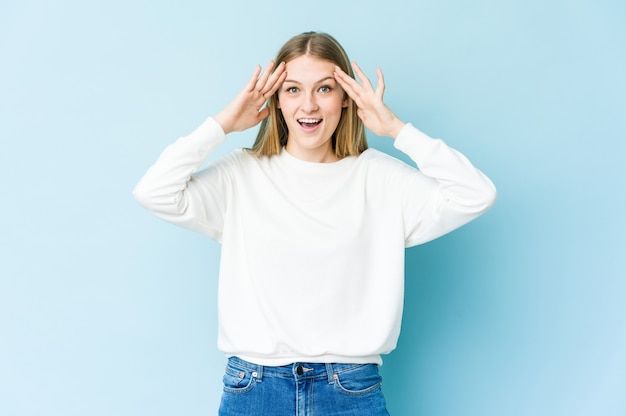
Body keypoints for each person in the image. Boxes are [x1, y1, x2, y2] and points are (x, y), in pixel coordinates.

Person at [133, 31, 496, 416]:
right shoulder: (241, 174)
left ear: (346, 98)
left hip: (350, 387)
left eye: (324, 88)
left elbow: (476, 194)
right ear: (274, 100)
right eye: (292, 89)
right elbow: (154, 191)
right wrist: (223, 124)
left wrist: (396, 130)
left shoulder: (379, 178)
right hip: (253, 388)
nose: (309, 105)